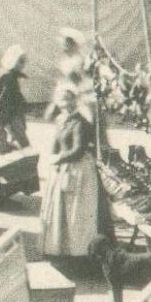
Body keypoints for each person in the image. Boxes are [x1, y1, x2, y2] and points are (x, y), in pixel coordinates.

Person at [40, 84, 101, 259]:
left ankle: (78, 251)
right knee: (58, 209)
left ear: (74, 101)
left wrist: (58, 158)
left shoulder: (80, 123)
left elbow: (78, 150)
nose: (65, 103)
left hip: (78, 169)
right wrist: (52, 158)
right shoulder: (61, 119)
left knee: (74, 212)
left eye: (68, 99)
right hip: (62, 168)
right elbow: (56, 143)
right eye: (62, 100)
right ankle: (59, 249)